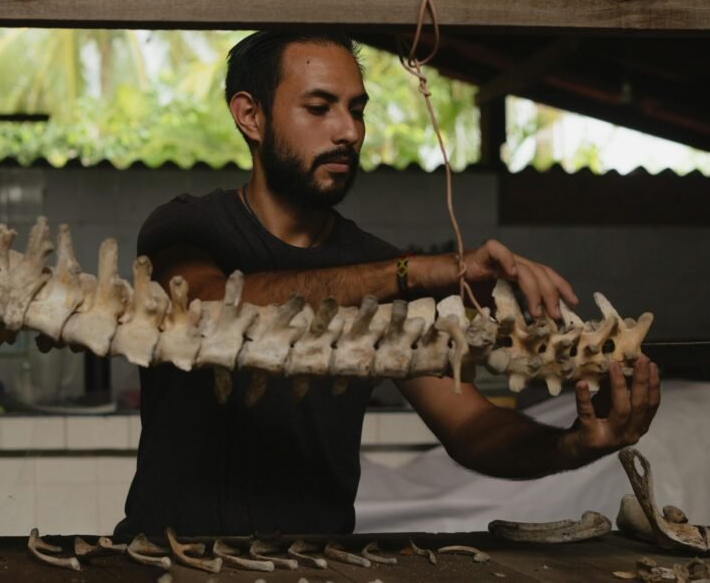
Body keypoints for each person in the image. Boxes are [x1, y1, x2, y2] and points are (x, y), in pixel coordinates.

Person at [115, 31, 660, 537]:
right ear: (250, 116)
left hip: (314, 567)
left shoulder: (375, 265)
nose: (349, 131)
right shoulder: (187, 229)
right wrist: (417, 270)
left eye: (357, 111)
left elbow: (470, 425)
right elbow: (209, 309)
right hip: (165, 560)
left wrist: (575, 442)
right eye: (319, 108)